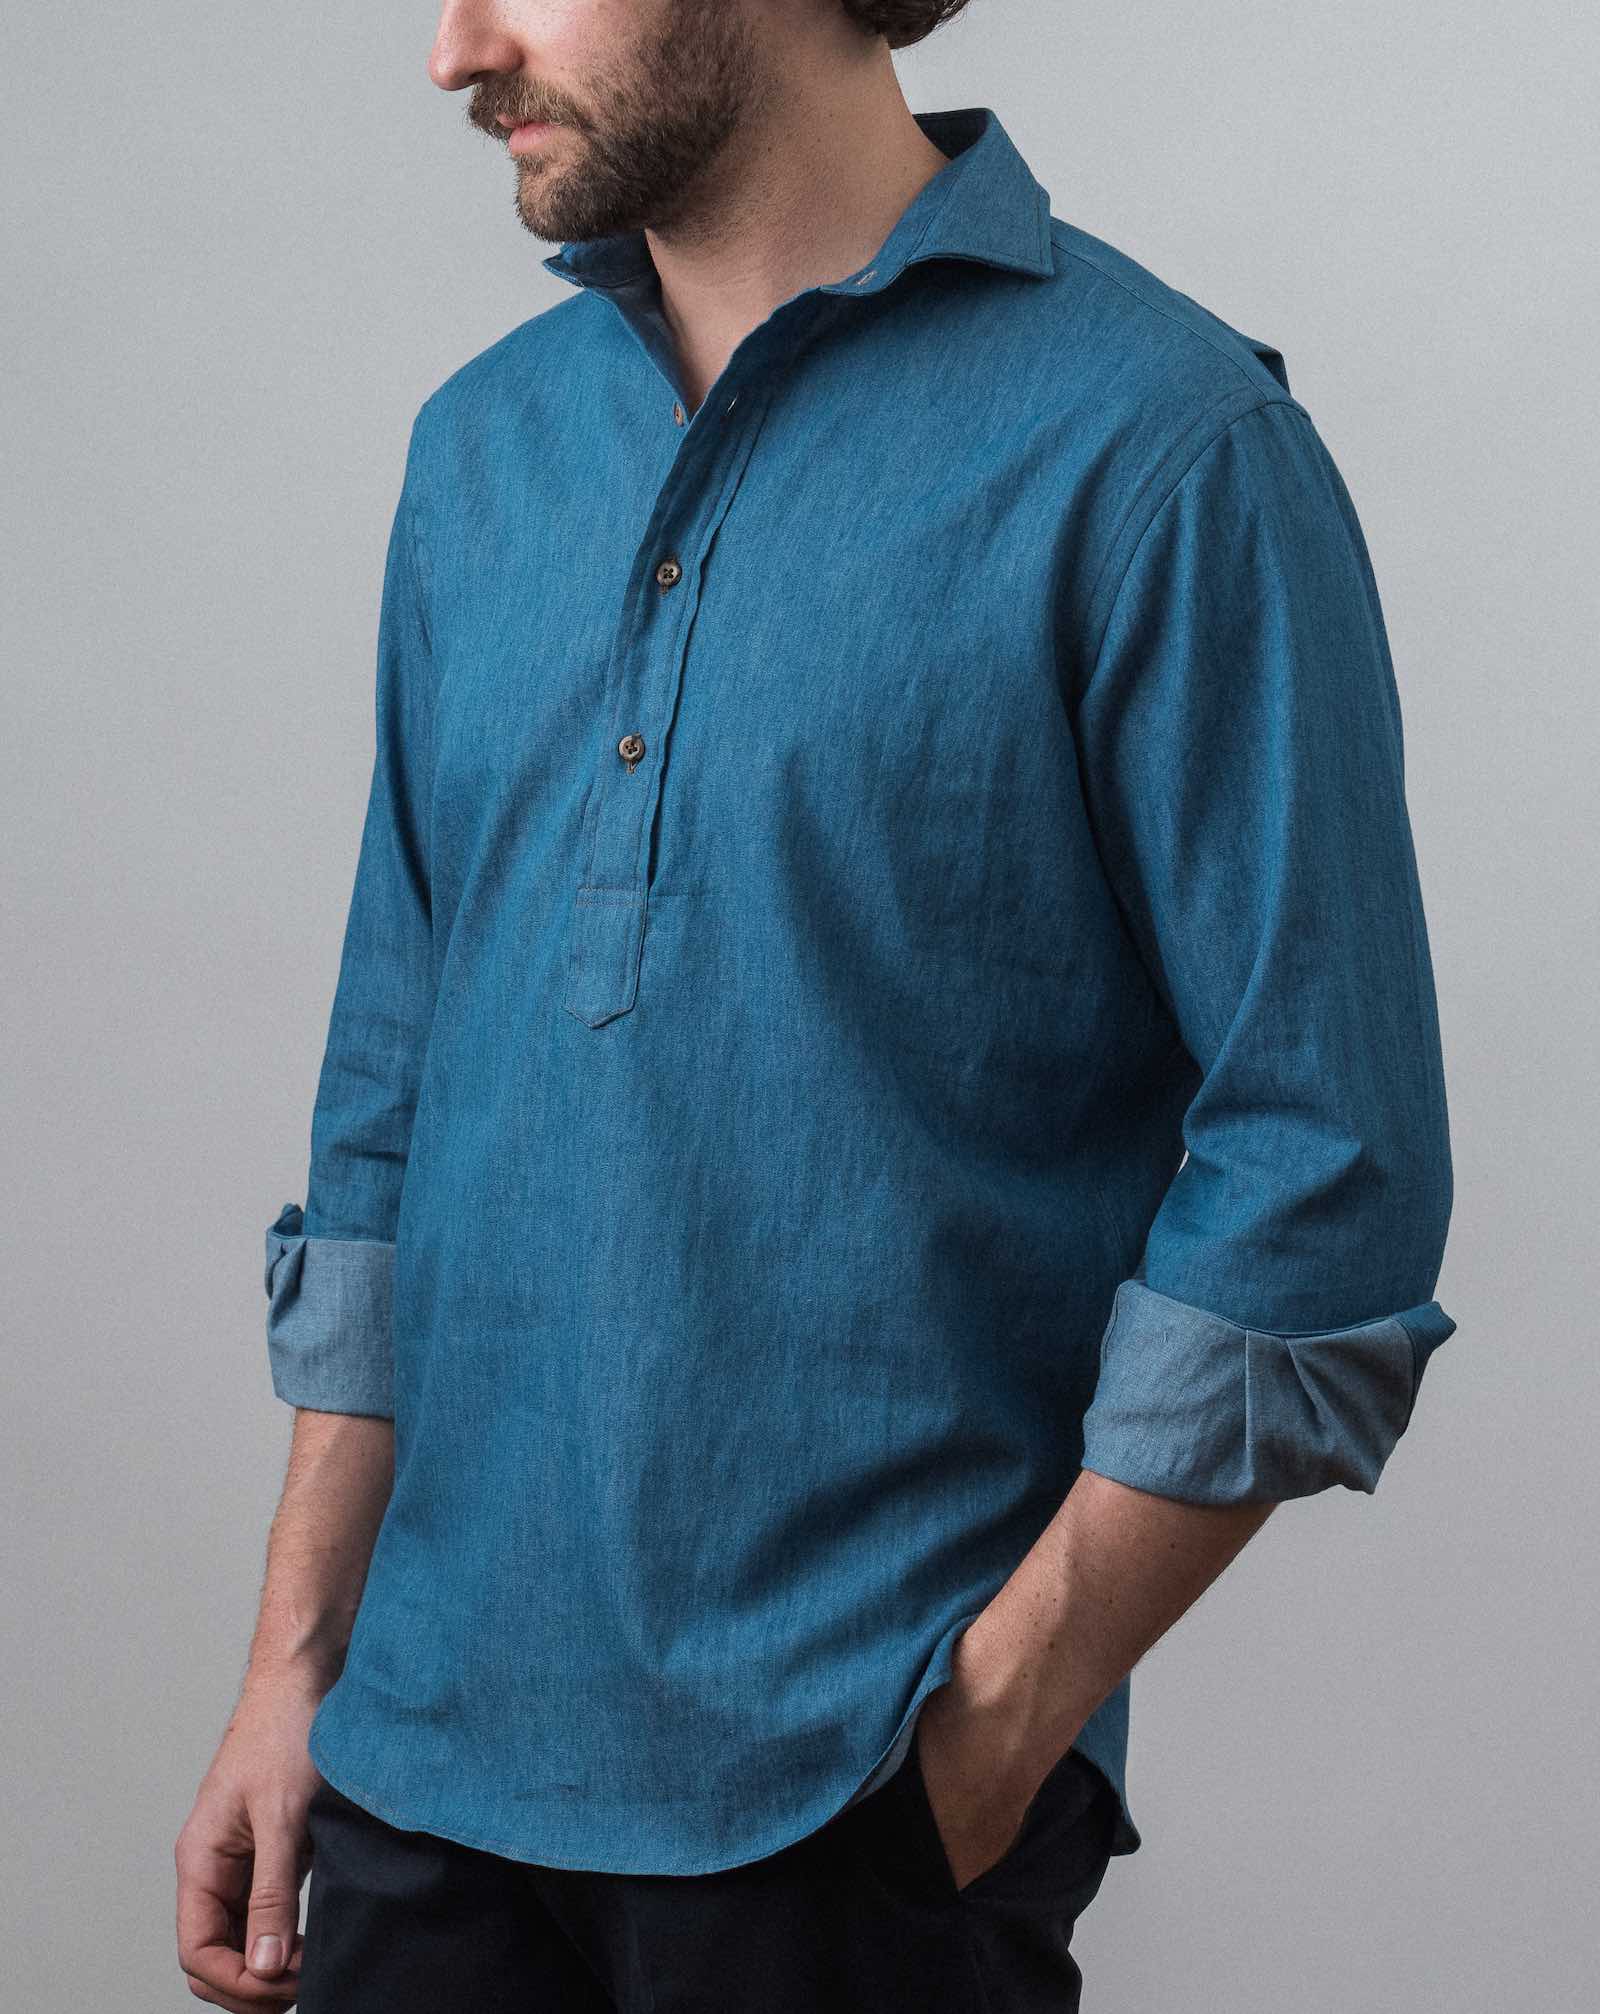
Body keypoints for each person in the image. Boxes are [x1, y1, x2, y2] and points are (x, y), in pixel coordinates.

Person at [174, 2, 1459, 2008]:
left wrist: (998, 1715)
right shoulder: (480, 451)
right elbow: (388, 1099)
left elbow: (1326, 1165)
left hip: (848, 1800)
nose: (454, 48)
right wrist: (292, 1671)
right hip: (417, 1777)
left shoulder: (1167, 447)